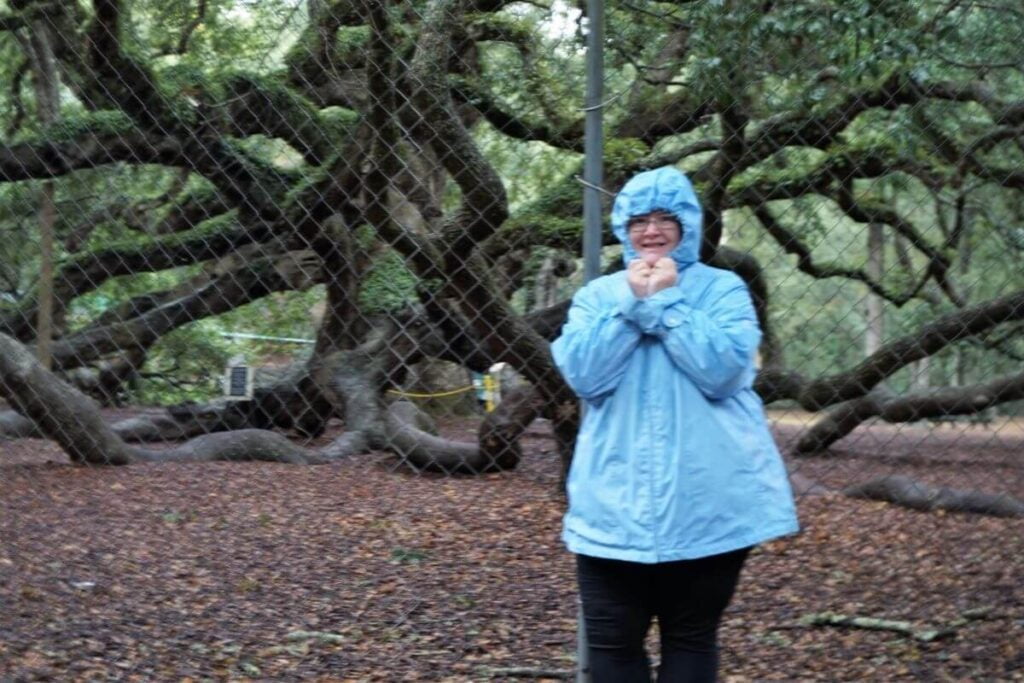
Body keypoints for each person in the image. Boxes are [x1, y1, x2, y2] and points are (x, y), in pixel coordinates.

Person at [551, 167, 799, 682]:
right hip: (612, 501)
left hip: (707, 501)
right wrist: (633, 305)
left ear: (689, 224)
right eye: (640, 220)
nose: (653, 231)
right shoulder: (599, 295)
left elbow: (725, 371)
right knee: (610, 642)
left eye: (667, 218)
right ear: (623, 228)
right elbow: (584, 376)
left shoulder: (723, 289)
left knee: (690, 636)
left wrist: (667, 301)